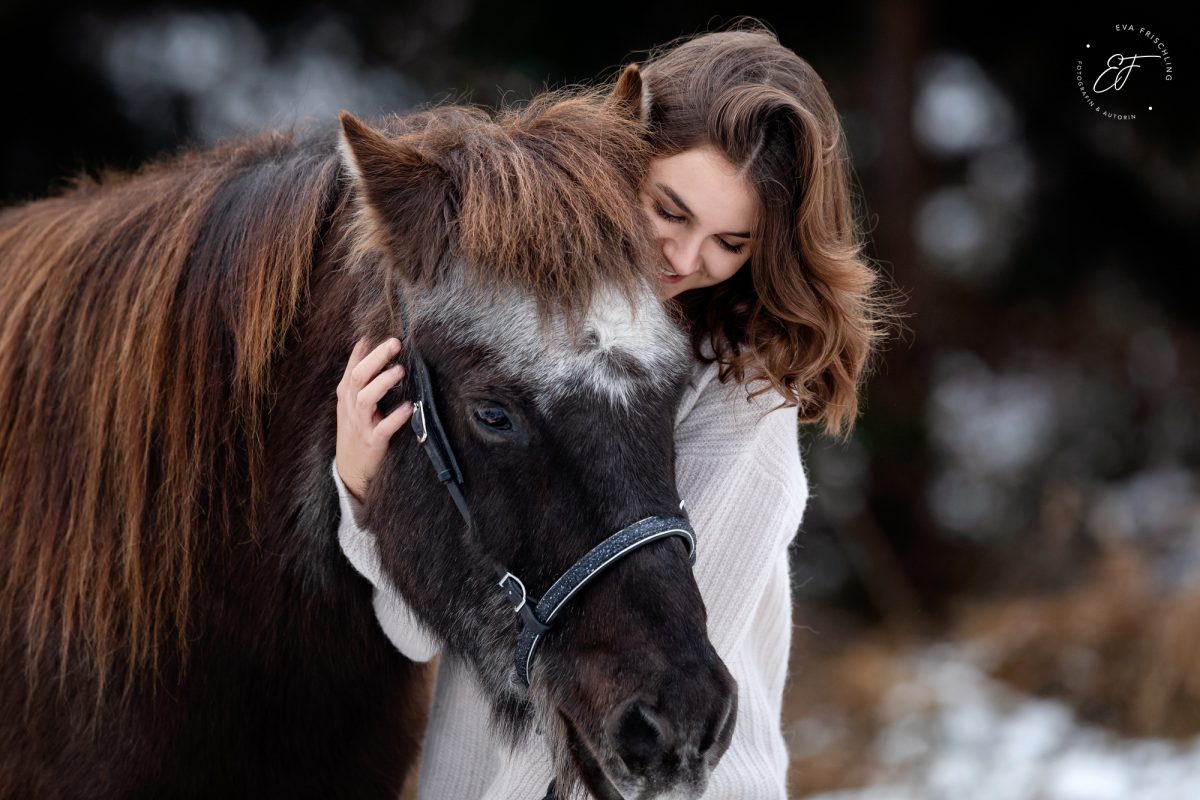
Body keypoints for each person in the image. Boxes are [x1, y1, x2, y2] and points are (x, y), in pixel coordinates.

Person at [332, 23, 894, 799]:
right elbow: (419, 629)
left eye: (731, 241)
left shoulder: (745, 411)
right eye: (670, 209)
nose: (686, 258)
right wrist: (362, 490)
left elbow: (651, 710)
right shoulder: (544, 354)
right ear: (622, 160)